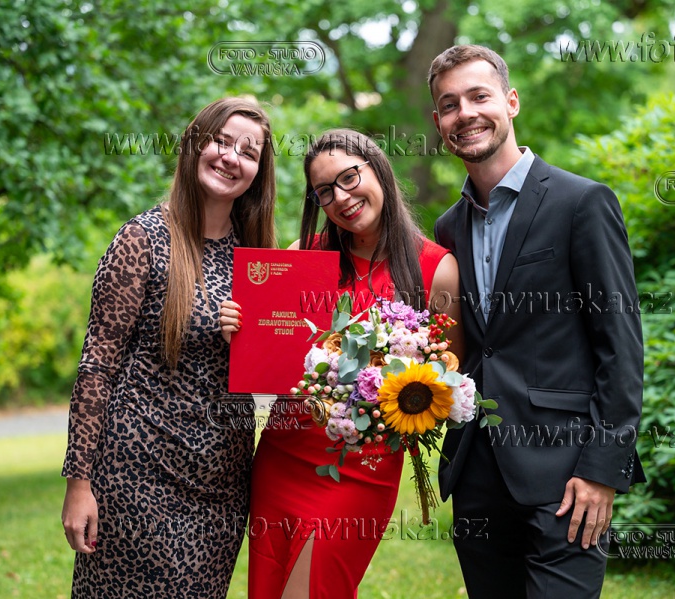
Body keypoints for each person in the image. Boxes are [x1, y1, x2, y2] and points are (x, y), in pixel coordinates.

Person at [428, 45, 645, 598]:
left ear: (511, 101)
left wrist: (602, 469)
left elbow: (620, 346)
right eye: (449, 105)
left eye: (479, 96)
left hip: (566, 476)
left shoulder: (582, 202)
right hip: (478, 474)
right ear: (438, 122)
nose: (465, 113)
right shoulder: (448, 227)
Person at [221, 129, 461, 598]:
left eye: (349, 178)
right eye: (324, 191)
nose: (341, 198)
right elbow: (268, 347)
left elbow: (447, 377)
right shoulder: (303, 256)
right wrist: (239, 324)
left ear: (378, 170)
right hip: (283, 455)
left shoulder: (436, 268)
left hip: (358, 469)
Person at [60, 97, 277, 598]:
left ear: (258, 174)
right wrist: (78, 483)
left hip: (221, 486)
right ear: (195, 144)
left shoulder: (257, 260)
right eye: (221, 141)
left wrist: (250, 342)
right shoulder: (142, 240)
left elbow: (273, 376)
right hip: (138, 476)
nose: (231, 157)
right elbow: (96, 367)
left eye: (248, 152)